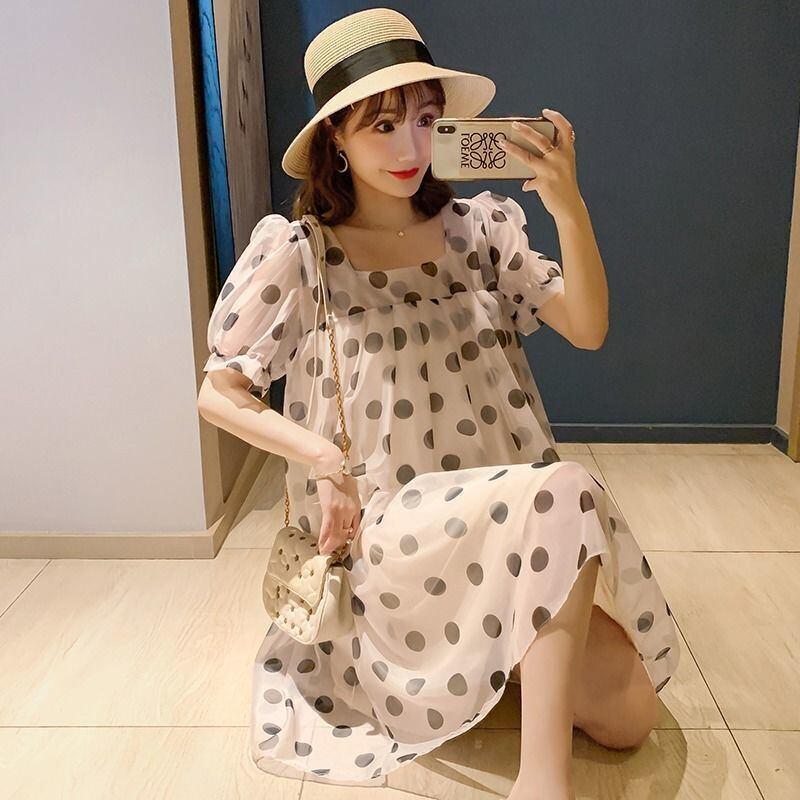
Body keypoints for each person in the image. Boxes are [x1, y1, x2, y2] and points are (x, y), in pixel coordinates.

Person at [197, 8, 680, 798]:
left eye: (425, 120)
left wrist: (568, 205)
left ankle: (499, 650)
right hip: (394, 535)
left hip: (513, 523)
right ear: (336, 139)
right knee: (566, 490)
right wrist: (322, 459)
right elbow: (218, 393)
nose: (411, 149)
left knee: (632, 718)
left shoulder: (480, 232)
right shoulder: (303, 254)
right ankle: (542, 784)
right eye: (382, 126)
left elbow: (588, 327)